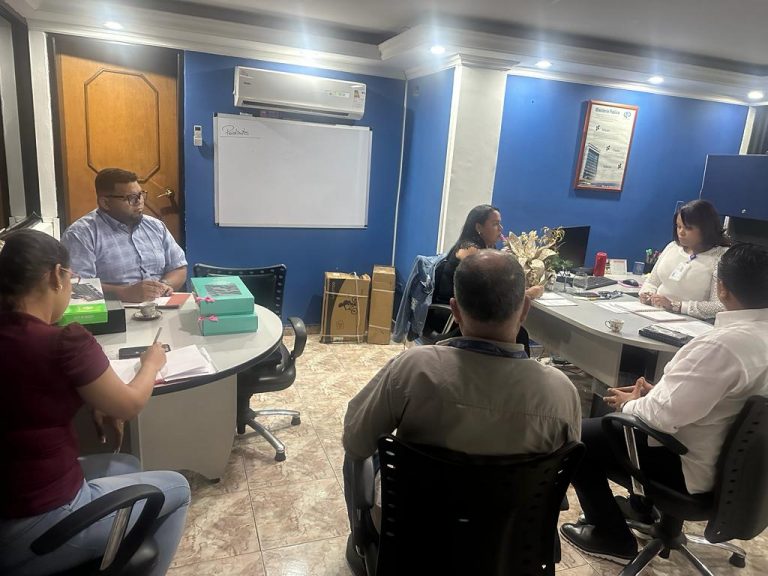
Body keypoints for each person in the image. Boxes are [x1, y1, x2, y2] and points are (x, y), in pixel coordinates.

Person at [343, 250, 581, 572]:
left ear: (455, 310)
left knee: (363, 450)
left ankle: (361, 544)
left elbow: (355, 440)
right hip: (511, 541)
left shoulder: (414, 369)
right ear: (525, 309)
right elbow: (560, 480)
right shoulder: (560, 392)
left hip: (416, 537)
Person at [561, 243, 768, 565]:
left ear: (723, 289)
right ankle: (642, 511)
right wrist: (659, 392)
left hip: (690, 469)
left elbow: (660, 418)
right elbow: (724, 402)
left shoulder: (723, 345)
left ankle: (610, 536)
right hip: (742, 474)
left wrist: (630, 403)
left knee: (578, 436)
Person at [0, 229, 190, 575]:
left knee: (127, 465)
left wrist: (92, 397)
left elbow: (27, 394)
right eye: (72, 279)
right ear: (57, 276)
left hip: (11, 503)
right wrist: (151, 363)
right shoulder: (64, 342)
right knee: (177, 487)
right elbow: (129, 405)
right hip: (37, 526)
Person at [61, 168, 188, 303]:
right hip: (114, 310)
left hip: (161, 305)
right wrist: (123, 293)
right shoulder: (81, 235)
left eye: (141, 195)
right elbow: (76, 285)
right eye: (131, 198)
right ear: (105, 203)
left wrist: (164, 285)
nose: (139, 202)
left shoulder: (156, 226)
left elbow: (178, 267)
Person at [639, 199, 729, 320]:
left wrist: (677, 306)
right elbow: (652, 282)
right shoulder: (672, 247)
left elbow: (720, 306)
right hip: (654, 313)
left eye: (688, 228)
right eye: (678, 226)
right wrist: (647, 293)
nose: (681, 232)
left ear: (706, 229)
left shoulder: (721, 257)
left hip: (689, 322)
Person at [435, 204, 545, 303]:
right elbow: (490, 290)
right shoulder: (469, 250)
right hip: (455, 312)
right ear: (479, 227)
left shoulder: (488, 247)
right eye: (495, 224)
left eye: (500, 223)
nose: (500, 228)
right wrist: (527, 294)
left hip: (474, 307)